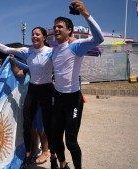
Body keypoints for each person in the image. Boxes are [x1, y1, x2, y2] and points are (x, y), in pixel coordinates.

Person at [0, 27, 57, 169]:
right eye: (32, 34)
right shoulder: (28, 52)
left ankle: (52, 157)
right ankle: (27, 155)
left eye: (37, 34)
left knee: (47, 126)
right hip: (33, 90)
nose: (34, 36)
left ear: (44, 37)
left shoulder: (51, 52)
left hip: (46, 90)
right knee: (27, 124)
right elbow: (6, 49)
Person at [50, 1, 104, 169]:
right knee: (56, 137)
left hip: (73, 100)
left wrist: (85, 13)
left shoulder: (76, 47)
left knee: (71, 142)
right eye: (54, 27)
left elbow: (99, 38)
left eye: (60, 27)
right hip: (58, 98)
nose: (56, 29)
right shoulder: (54, 50)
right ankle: (63, 165)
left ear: (68, 31)